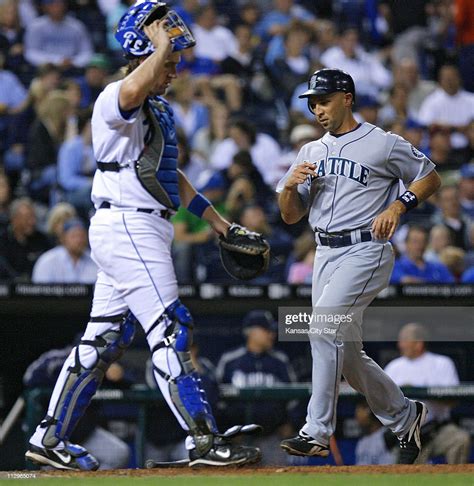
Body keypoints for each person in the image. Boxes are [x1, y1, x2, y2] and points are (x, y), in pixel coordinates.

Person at [25, 1, 260, 471]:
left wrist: (220, 225)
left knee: (105, 338)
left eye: (175, 60)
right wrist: (160, 46)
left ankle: (48, 437)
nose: (174, 67)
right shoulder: (117, 94)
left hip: (138, 225)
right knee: (172, 329)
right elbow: (135, 84)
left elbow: (172, 176)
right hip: (129, 224)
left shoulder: (157, 106)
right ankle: (204, 441)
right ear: (145, 49)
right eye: (169, 59)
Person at [277, 68, 441, 464]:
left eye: (324, 99)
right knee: (348, 358)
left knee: (321, 328)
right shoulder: (309, 151)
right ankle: (405, 415)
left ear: (347, 97)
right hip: (324, 254)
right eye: (312, 102)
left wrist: (399, 205)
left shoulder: (382, 143)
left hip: (367, 248)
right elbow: (290, 216)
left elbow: (430, 177)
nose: (317, 108)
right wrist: (287, 187)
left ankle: (315, 431)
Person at [216, 310, 296, 465]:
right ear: (251, 332)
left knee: (277, 480)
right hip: (239, 440)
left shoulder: (280, 361)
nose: (272, 334)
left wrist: (290, 423)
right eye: (267, 330)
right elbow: (218, 401)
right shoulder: (230, 361)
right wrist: (228, 429)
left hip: (272, 437)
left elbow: (295, 398)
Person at [385, 323, 471, 464]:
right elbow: (383, 401)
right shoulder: (394, 367)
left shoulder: (441, 363)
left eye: (405, 340)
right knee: (408, 477)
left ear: (418, 343)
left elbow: (453, 399)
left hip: (436, 428)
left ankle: (455, 481)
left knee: (460, 439)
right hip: (407, 433)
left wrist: (422, 393)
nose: (400, 345)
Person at [32, 218, 97, 284]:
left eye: (82, 236)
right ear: (63, 238)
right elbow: (39, 291)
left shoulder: (95, 260)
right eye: (74, 236)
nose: (79, 240)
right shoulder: (47, 260)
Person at [390, 226, 455, 284]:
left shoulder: (438, 267)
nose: (419, 245)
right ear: (406, 244)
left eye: (423, 241)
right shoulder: (396, 266)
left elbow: (452, 286)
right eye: (415, 241)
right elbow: (404, 281)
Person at [354, 401, 395, 465]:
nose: (358, 419)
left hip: (383, 473)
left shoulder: (386, 435)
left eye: (361, 414)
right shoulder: (362, 442)